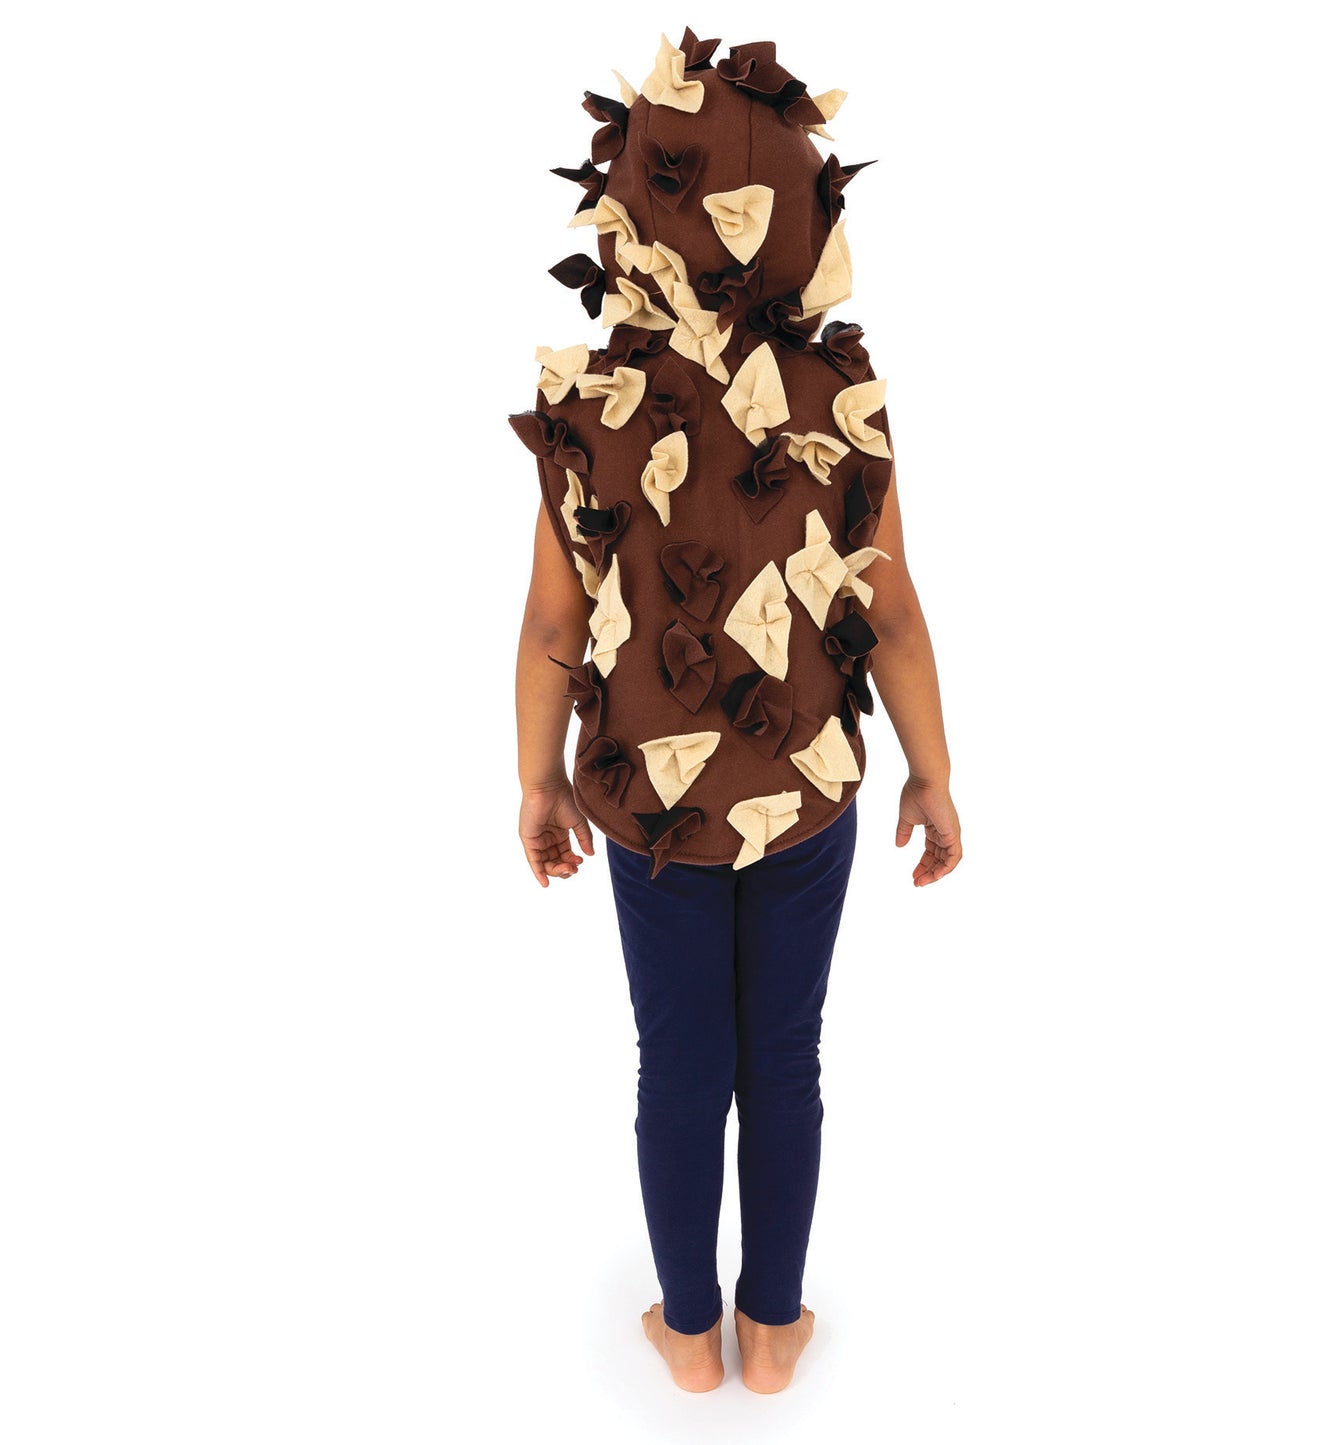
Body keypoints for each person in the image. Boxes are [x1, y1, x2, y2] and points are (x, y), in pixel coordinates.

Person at [511, 30, 961, 1393]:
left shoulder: (592, 414)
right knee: (784, 1057)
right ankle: (772, 1332)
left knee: (678, 1061)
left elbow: (551, 629)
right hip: (804, 793)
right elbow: (890, 613)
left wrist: (538, 779)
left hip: (648, 810)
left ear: (629, 216)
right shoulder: (836, 397)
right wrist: (933, 773)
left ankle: (689, 1335)